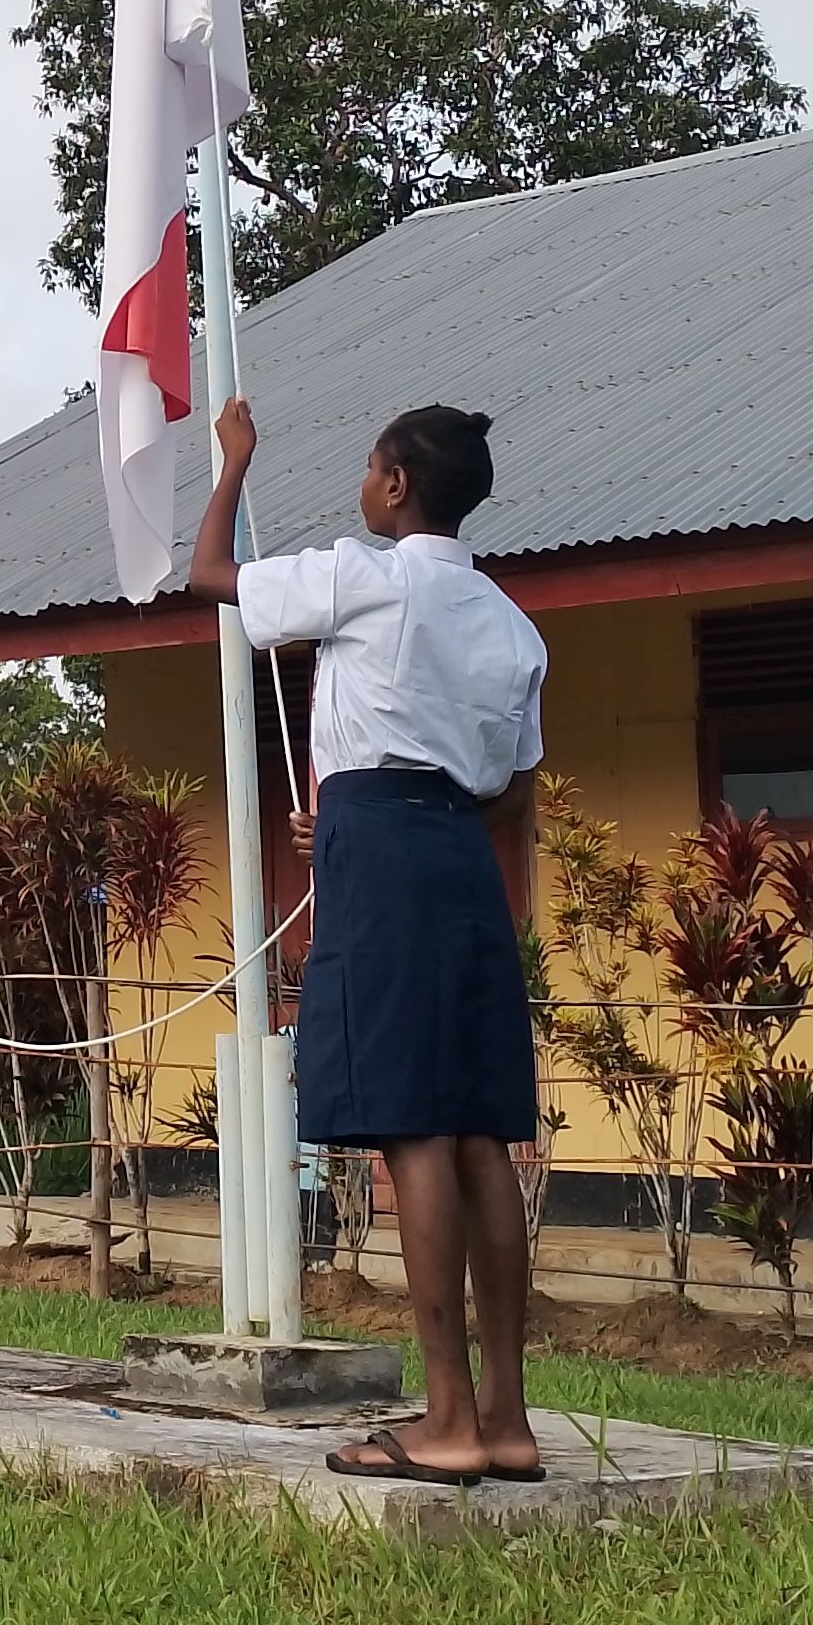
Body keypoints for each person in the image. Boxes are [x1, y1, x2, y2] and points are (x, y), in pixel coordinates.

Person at [187, 394, 549, 1484]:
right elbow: (512, 788)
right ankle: (507, 1420)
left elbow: (212, 575)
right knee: (480, 1132)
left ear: (395, 486)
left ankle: (447, 1422)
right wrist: (376, 805)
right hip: (460, 858)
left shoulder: (362, 573)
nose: (362, 483)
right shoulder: (511, 624)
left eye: (368, 467)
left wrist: (235, 461)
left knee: (415, 1129)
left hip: (383, 864)